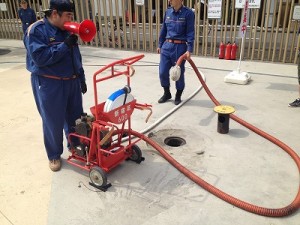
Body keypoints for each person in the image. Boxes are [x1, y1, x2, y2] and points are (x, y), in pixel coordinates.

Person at [23, 0, 87, 172]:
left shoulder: (67, 30)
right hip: (49, 83)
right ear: (54, 14)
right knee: (53, 121)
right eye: (68, 16)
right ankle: (54, 155)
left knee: (75, 119)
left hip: (71, 82)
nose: (71, 20)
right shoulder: (36, 31)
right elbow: (40, 58)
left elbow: (76, 57)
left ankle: (75, 147)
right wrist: (65, 45)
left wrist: (81, 78)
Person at [156, 0, 195, 105]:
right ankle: (167, 93)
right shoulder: (167, 12)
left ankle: (178, 94)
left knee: (178, 73)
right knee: (162, 71)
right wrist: (160, 45)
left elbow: (190, 32)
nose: (169, 1)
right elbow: (163, 29)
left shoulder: (188, 13)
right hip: (167, 46)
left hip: (180, 47)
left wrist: (189, 49)